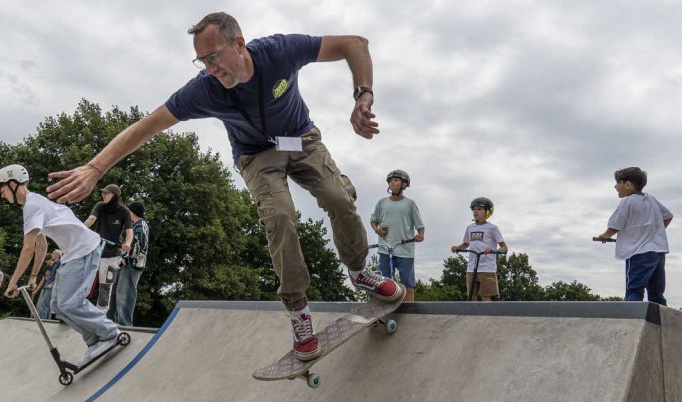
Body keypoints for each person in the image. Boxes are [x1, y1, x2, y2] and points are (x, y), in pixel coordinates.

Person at [46, 12, 402, 361]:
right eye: (202, 61)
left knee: (339, 197)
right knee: (279, 217)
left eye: (214, 57)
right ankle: (299, 312)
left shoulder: (280, 51)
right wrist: (95, 168)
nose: (211, 69)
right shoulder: (203, 90)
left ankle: (359, 272)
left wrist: (362, 95)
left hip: (301, 139)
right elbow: (148, 125)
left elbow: (354, 44)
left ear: (239, 44)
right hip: (256, 156)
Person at [0, 164, 120, 366]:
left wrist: (13, 283)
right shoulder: (34, 204)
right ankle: (95, 341)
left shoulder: (32, 206)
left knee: (70, 302)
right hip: (74, 254)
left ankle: (109, 332)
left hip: (84, 249)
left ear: (12, 184)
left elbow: (27, 249)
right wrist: (34, 277)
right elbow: (41, 245)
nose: (2, 195)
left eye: (2, 190)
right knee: (58, 306)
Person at [595, 167, 673, 305]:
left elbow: (614, 227)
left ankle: (632, 324)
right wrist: (653, 233)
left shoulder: (627, 201)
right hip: (658, 252)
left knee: (634, 290)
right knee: (656, 294)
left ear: (627, 184)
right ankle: (664, 325)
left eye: (617, 183)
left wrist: (604, 236)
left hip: (639, 253)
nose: (615, 187)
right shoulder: (651, 199)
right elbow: (667, 217)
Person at [370, 170, 424, 302]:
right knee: (383, 283)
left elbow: (419, 225)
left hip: (405, 249)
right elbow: (374, 219)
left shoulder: (410, 204)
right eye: (390, 180)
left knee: (407, 283)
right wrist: (377, 230)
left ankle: (409, 312)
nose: (392, 182)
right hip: (385, 248)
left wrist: (420, 235)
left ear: (404, 184)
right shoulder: (381, 203)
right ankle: (384, 313)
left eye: (395, 180)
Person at [83, 184, 133, 312]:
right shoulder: (100, 206)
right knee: (84, 278)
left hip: (113, 253)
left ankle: (101, 313)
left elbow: (129, 231)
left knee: (106, 285)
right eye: (103, 193)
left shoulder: (124, 211)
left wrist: (127, 243)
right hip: (96, 249)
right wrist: (81, 229)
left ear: (114, 196)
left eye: (106, 193)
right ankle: (77, 307)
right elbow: (91, 219)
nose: (103, 195)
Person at [450, 197, 508, 301]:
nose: (475, 211)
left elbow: (504, 248)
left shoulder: (493, 228)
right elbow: (466, 243)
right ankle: (472, 317)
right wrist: (457, 247)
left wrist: (492, 250)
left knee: (486, 297)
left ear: (488, 212)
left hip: (487, 268)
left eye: (479, 209)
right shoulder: (470, 228)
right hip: (471, 268)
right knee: (471, 297)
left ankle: (488, 317)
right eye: (474, 209)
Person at [108, 201, 149, 326]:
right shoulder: (133, 225)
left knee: (125, 293)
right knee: (114, 291)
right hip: (124, 263)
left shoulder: (141, 226)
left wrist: (125, 256)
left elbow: (139, 247)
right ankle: (109, 322)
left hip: (133, 265)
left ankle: (125, 325)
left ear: (132, 212)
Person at [33, 253, 57, 320]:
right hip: (45, 287)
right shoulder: (47, 267)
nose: (45, 262)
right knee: (41, 304)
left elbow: (58, 277)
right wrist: (36, 290)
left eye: (46, 260)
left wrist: (52, 284)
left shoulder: (56, 266)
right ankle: (46, 319)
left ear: (50, 259)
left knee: (44, 305)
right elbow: (42, 280)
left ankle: (44, 320)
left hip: (51, 288)